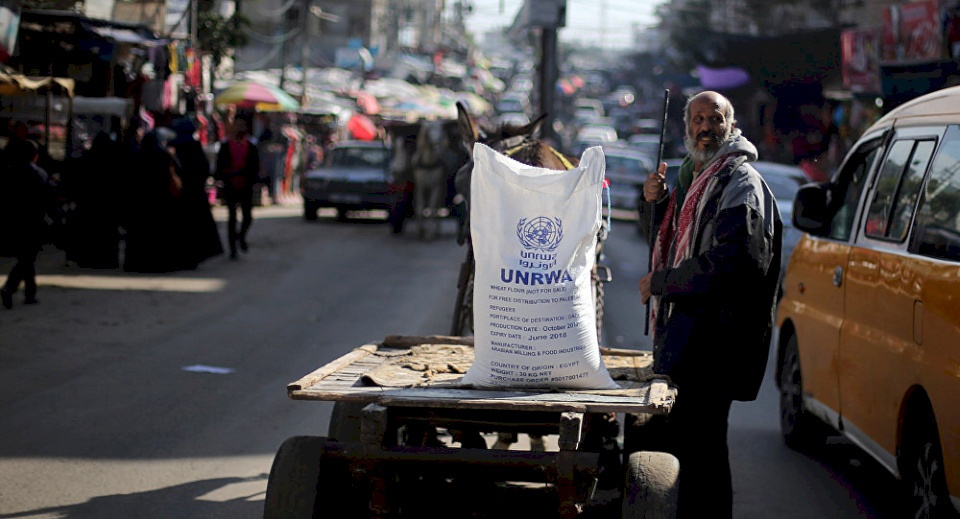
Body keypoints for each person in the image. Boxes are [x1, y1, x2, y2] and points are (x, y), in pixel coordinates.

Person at [637, 91, 783, 518]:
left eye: (714, 119)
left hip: (716, 345)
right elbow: (665, 240)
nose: (705, 128)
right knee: (688, 449)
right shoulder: (693, 179)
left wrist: (663, 283)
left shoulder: (740, 183)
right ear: (687, 128)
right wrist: (656, 204)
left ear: (730, 125)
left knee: (704, 454)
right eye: (697, 120)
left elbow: (735, 264)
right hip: (688, 341)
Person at [0, 139, 57, 309]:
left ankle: (30, 293)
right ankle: (10, 288)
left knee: (26, 257)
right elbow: (47, 198)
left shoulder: (7, 172)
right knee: (27, 257)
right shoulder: (37, 174)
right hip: (33, 221)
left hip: (13, 220)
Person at [171, 118, 224, 267]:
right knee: (195, 228)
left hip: (179, 195)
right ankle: (193, 258)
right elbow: (204, 168)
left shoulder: (173, 146)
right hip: (194, 194)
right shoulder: (194, 146)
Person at [215, 119, 260, 259]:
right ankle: (232, 249)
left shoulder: (251, 146)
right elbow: (219, 166)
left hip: (246, 185)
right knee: (232, 217)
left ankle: (241, 237)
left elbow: (255, 166)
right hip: (230, 185)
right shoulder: (226, 145)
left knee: (248, 217)